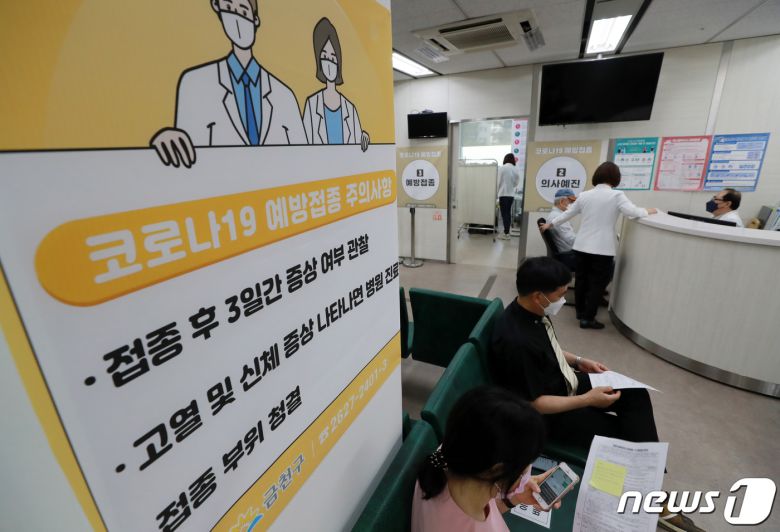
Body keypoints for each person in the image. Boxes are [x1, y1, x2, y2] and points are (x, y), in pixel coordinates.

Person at [490, 257, 660, 449]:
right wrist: (588, 399)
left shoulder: (530, 311)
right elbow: (534, 404)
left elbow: (545, 349)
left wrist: (579, 360)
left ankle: (649, 459)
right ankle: (646, 460)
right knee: (626, 435)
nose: (562, 300)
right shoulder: (517, 342)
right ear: (538, 296)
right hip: (549, 415)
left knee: (636, 394)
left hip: (562, 381)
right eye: (560, 295)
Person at [150, 0, 307, 167]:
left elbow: (305, 158)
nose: (237, 19)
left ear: (255, 19)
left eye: (243, 11)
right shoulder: (194, 83)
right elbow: (185, 155)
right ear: (219, 11)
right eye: (229, 9)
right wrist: (165, 145)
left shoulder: (284, 94)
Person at [412, 386, 560, 532]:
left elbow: (487, 515)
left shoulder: (449, 456)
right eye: (526, 464)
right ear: (498, 470)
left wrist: (515, 498)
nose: (527, 472)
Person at [541, 162, 657, 329]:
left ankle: (580, 312)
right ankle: (588, 319)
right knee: (597, 283)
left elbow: (567, 213)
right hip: (602, 249)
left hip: (581, 246)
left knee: (581, 280)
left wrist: (550, 224)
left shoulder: (585, 195)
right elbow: (632, 212)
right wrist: (649, 211)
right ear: (615, 178)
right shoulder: (617, 195)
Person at [302, 18, 370, 151]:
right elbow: (304, 144)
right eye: (324, 57)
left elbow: (357, 142)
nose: (329, 63)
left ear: (339, 61)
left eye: (333, 58)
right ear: (318, 61)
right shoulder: (312, 105)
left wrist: (363, 137)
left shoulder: (350, 108)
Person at [547, 188, 577, 271]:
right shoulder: (557, 217)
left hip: (567, 253)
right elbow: (571, 240)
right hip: (569, 256)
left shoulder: (557, 215)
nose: (573, 204)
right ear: (562, 201)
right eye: (571, 201)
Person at [497, 154, 520, 240]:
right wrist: (511, 186)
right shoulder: (515, 169)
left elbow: (498, 182)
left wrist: (496, 193)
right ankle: (507, 232)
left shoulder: (502, 168)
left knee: (504, 214)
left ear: (505, 159)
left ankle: (506, 234)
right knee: (508, 214)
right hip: (511, 195)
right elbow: (516, 183)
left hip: (503, 194)